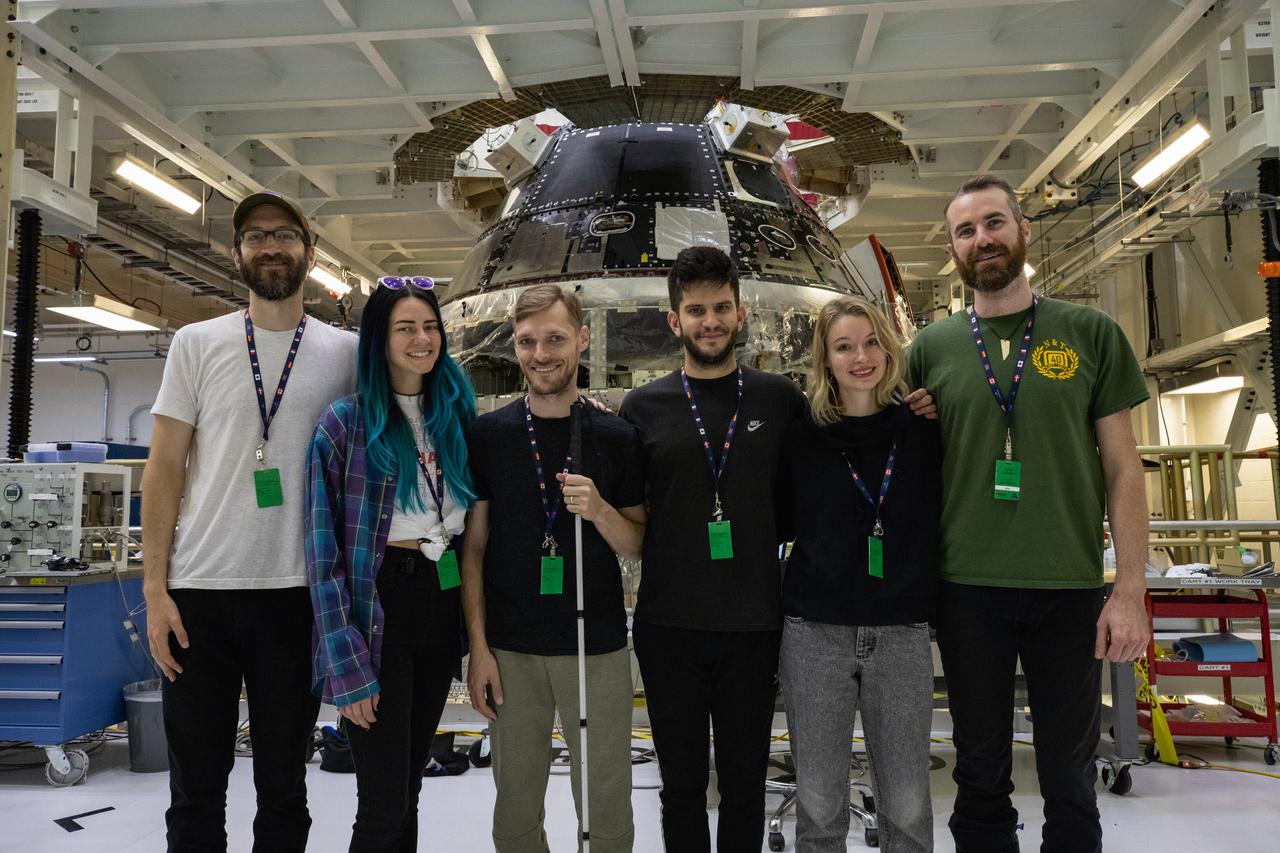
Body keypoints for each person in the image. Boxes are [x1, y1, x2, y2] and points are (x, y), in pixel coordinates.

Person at [907, 174, 1150, 853]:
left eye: (993, 222)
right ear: (954, 248)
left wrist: (1128, 588)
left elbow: (1123, 467)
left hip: (1067, 588)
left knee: (1069, 774)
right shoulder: (930, 350)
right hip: (966, 591)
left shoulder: (1090, 332)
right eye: (965, 230)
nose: (981, 238)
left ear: (1022, 229)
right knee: (980, 770)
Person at [143, 192, 357, 852]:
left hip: (296, 600)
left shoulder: (346, 353)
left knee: (284, 789)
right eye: (257, 236)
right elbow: (164, 470)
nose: (271, 246)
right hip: (198, 598)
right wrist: (155, 592)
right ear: (236, 254)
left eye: (285, 235)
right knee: (195, 790)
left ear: (310, 253)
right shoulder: (196, 343)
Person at [618, 246, 807, 852]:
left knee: (746, 784)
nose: (711, 321)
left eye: (721, 307)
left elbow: (800, 503)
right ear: (675, 321)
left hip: (753, 625)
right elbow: (638, 513)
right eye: (696, 310)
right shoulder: (643, 407)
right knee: (680, 787)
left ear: (741, 312)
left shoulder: (780, 401)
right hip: (668, 626)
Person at [462, 284, 646, 853]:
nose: (541, 354)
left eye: (556, 338)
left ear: (582, 339)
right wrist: (478, 648)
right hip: (511, 650)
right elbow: (473, 548)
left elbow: (638, 544)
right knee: (515, 810)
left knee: (606, 806)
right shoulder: (489, 435)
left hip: (597, 649)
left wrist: (600, 511)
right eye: (527, 341)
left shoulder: (616, 437)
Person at [305, 275, 476, 852]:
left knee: (409, 789)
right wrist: (346, 666)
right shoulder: (344, 424)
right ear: (378, 339)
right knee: (382, 801)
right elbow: (322, 559)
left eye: (430, 327)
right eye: (405, 328)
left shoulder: (455, 413)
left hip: (439, 597)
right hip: (379, 605)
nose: (422, 339)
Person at [779, 296, 941, 853]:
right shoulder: (800, 435)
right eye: (844, 347)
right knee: (820, 806)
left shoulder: (922, 429)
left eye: (871, 342)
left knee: (907, 805)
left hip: (900, 633)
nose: (861, 357)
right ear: (826, 360)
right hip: (815, 633)